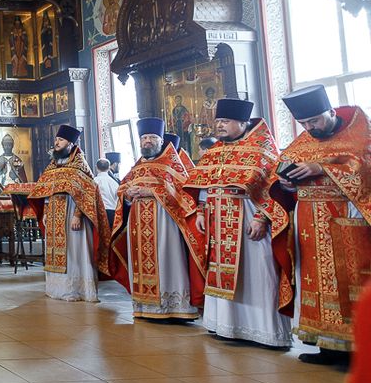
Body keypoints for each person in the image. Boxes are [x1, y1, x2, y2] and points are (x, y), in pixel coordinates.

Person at [184, 98, 293, 348]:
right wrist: (200, 212)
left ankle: (265, 332)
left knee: (258, 272)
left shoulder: (262, 149)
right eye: (218, 121)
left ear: (243, 123)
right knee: (220, 271)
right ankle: (226, 325)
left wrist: (261, 217)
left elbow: (272, 188)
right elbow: (204, 184)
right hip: (217, 220)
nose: (219, 125)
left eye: (226, 121)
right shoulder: (214, 151)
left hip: (248, 218)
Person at [278, 85, 371, 366]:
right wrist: (286, 181)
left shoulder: (360, 132)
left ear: (330, 112)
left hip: (347, 220)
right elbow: (283, 168)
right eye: (304, 124)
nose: (310, 128)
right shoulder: (305, 140)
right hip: (308, 220)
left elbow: (365, 170)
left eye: (314, 121)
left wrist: (323, 168)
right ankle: (328, 347)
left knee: (351, 283)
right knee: (314, 281)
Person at [111, 118, 205, 321]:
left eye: (152, 137)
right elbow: (122, 189)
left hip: (164, 223)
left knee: (167, 260)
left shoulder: (171, 164)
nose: (147, 141)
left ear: (161, 141)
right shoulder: (136, 167)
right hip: (137, 223)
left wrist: (152, 191)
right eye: (144, 138)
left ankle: (173, 307)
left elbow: (183, 193)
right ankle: (144, 306)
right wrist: (127, 194)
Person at [27, 126, 111, 302]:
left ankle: (77, 290)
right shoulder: (53, 165)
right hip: (55, 213)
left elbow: (87, 193)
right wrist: (46, 211)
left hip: (73, 213)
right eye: (56, 139)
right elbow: (47, 190)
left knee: (75, 251)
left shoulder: (80, 165)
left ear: (71, 144)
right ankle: (58, 289)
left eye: (61, 140)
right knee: (56, 251)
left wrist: (78, 215)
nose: (57, 143)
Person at [94, 158, 120, 228]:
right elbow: (118, 199)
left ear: (96, 167)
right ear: (109, 168)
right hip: (113, 213)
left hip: (99, 213)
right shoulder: (115, 182)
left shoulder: (93, 181)